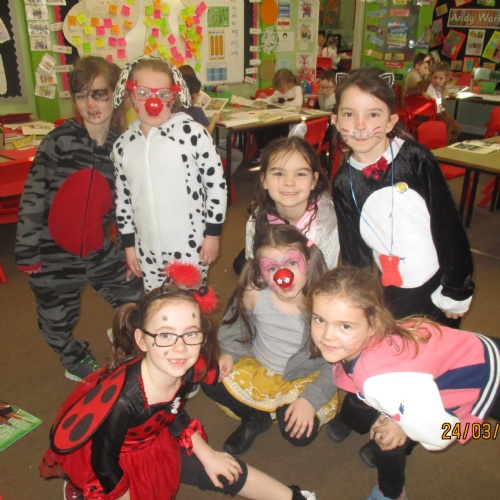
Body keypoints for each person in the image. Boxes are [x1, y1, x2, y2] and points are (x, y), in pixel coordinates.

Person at [40, 262, 316, 500]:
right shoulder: (124, 400)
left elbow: (172, 412)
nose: (180, 348)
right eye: (165, 335)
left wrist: (208, 454)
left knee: (223, 468)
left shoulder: (182, 368)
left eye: (190, 334)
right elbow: (103, 462)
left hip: (154, 437)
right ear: (142, 340)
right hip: (110, 464)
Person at [329, 68, 474, 461]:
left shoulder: (415, 158)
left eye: (373, 114)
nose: (361, 125)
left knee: (423, 365)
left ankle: (403, 438)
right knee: (379, 351)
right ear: (336, 119)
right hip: (388, 288)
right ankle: (358, 412)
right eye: (350, 114)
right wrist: (361, 300)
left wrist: (457, 287)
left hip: (435, 286)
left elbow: (447, 225)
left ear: (392, 120)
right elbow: (354, 249)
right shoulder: (342, 182)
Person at [309, 266, 500, 500]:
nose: (327, 335)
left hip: (488, 375)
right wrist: (400, 418)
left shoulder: (378, 381)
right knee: (388, 435)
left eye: (345, 326)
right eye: (319, 319)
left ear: (373, 325)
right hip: (472, 356)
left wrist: (404, 425)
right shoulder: (369, 343)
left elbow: (441, 435)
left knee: (479, 430)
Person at [15, 56, 143, 382]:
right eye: (82, 95)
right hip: (53, 253)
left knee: (138, 298)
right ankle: (74, 359)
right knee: (56, 319)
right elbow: (33, 197)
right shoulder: (58, 141)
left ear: (115, 96)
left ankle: (123, 331)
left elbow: (124, 205)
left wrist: (131, 248)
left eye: (99, 94)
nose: (90, 104)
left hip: (98, 249)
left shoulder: (121, 147)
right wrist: (28, 250)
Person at [203, 225, 338, 456]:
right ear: (260, 271)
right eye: (272, 268)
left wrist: (310, 400)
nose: (283, 275)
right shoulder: (254, 292)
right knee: (209, 376)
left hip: (304, 377)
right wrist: (230, 352)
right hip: (259, 366)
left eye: (292, 263)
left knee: (299, 433)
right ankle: (255, 417)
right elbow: (236, 324)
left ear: (308, 261)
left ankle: (280, 409)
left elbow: (338, 362)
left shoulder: (326, 304)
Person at [111, 55, 227, 292]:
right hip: (148, 249)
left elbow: (216, 185)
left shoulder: (193, 134)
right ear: (130, 95)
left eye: (163, 94)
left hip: (190, 246)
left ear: (173, 97)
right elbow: (124, 200)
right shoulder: (123, 146)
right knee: (156, 302)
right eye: (143, 93)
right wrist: (129, 246)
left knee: (189, 302)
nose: (153, 102)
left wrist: (212, 235)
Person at [238, 137, 339, 274]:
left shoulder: (326, 223)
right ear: (264, 180)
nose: (289, 182)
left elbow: (326, 276)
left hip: (312, 282)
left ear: (314, 181)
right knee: (241, 268)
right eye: (279, 173)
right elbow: (255, 271)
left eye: (300, 174)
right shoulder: (257, 217)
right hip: (273, 275)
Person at [181, 72, 243, 174]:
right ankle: (224, 179)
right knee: (238, 156)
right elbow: (207, 134)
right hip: (202, 152)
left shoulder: (175, 111)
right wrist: (214, 120)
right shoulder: (196, 111)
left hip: (186, 155)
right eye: (198, 94)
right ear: (194, 96)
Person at [425, 61, 462, 144]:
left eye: (441, 78)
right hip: (431, 115)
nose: (437, 81)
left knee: (457, 129)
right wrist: (422, 93)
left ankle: (445, 144)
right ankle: (443, 145)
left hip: (440, 112)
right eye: (434, 77)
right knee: (447, 127)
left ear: (446, 79)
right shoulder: (427, 86)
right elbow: (413, 90)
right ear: (431, 76)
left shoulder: (441, 88)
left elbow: (439, 100)